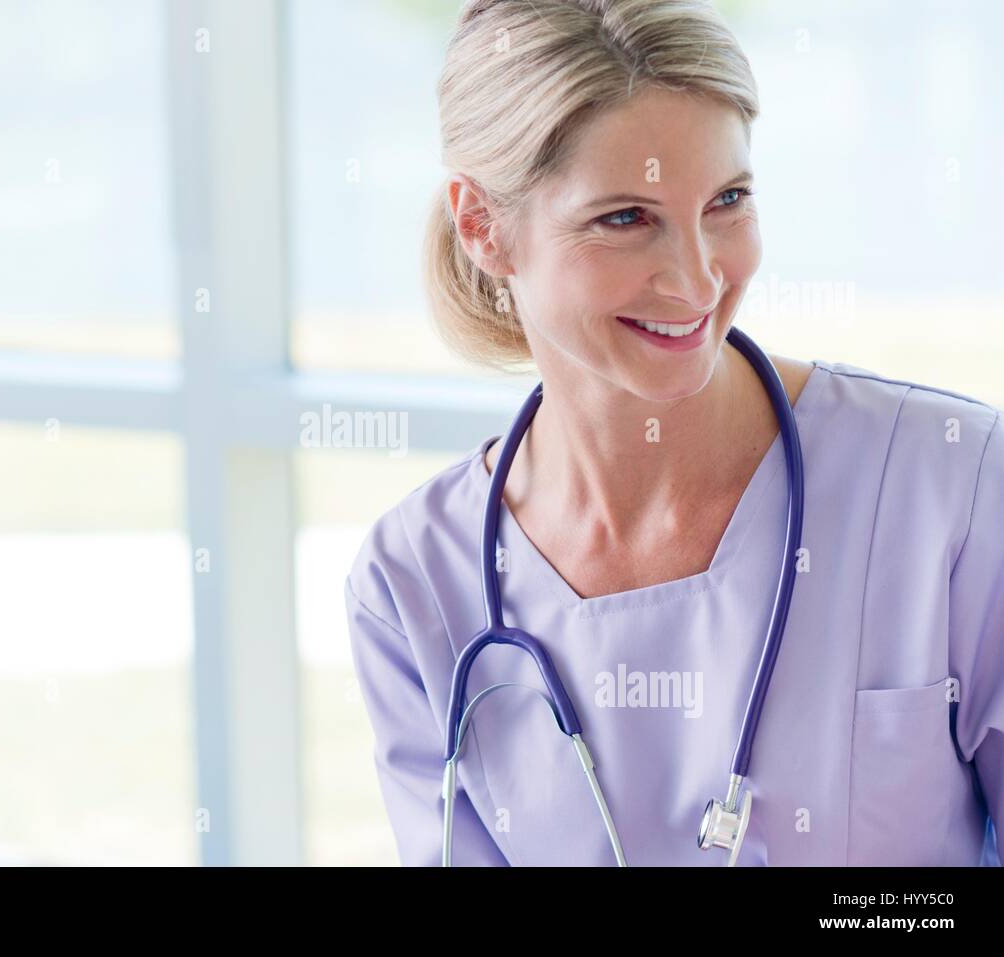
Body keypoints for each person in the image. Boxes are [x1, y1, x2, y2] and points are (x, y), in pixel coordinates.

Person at [344, 0, 1003, 866]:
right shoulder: (416, 582)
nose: (697, 278)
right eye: (626, 217)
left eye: (727, 200)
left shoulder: (951, 486)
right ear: (483, 227)